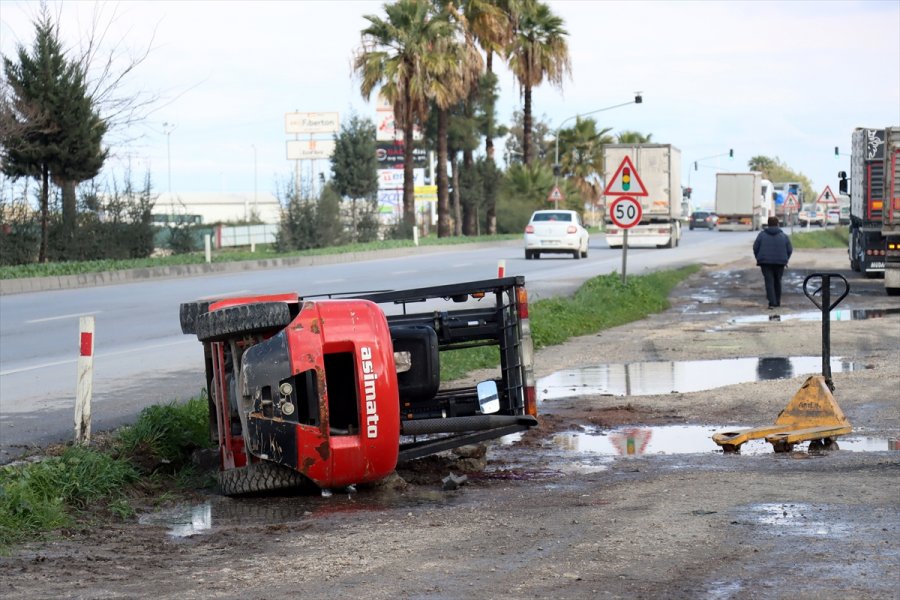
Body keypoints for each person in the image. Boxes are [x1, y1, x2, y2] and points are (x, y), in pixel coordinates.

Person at [753, 216, 793, 308]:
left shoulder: (761, 235)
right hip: (780, 263)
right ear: (777, 224)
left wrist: (759, 258)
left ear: (768, 224)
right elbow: (789, 249)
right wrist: (785, 259)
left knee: (769, 281)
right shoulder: (784, 236)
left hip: (765, 263)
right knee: (778, 281)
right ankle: (778, 301)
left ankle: (772, 302)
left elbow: (755, 247)